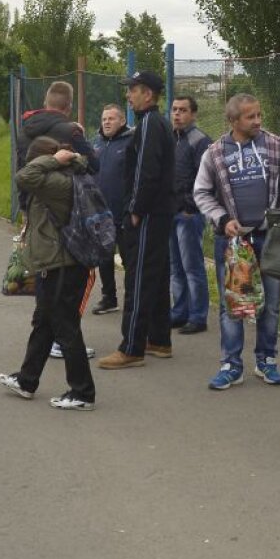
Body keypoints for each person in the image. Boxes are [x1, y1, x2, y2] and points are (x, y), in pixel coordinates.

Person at [193, 94, 280, 389]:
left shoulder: (275, 145)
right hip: (234, 242)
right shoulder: (214, 153)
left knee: (272, 304)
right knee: (231, 305)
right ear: (233, 120)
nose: (258, 121)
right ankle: (231, 365)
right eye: (250, 117)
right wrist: (223, 220)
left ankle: (267, 360)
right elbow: (201, 192)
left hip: (269, 238)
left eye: (259, 115)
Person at [0, 136, 98, 410]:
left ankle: (83, 392)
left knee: (66, 327)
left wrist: (54, 160)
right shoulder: (58, 178)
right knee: (44, 322)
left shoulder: (58, 182)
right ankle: (27, 380)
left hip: (61, 264)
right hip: (53, 263)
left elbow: (24, 177)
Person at [99, 71, 176, 370]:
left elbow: (146, 170)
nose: (128, 96)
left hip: (147, 214)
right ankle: (159, 339)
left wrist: (135, 209)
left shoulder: (148, 126)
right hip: (159, 213)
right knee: (156, 276)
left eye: (133, 91)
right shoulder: (157, 123)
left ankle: (131, 347)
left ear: (148, 94)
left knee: (139, 278)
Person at [169, 95, 212, 335]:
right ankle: (179, 312)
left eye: (183, 110)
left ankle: (198, 316)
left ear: (193, 114)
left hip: (188, 214)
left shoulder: (201, 141)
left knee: (192, 267)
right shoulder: (170, 138)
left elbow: (204, 180)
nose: (177, 114)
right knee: (175, 266)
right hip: (170, 212)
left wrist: (189, 207)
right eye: (174, 109)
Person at [89, 104, 132, 315]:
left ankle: (132, 299)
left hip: (123, 213)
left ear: (122, 121)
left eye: (111, 119)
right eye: (104, 118)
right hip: (100, 214)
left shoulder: (131, 142)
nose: (106, 122)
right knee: (104, 258)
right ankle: (109, 298)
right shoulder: (95, 143)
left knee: (128, 259)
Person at [17, 81, 99, 177]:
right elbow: (94, 166)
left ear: (45, 104)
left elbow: (20, 169)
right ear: (69, 106)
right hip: (60, 190)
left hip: (28, 190)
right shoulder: (71, 132)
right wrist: (82, 137)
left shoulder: (24, 130)